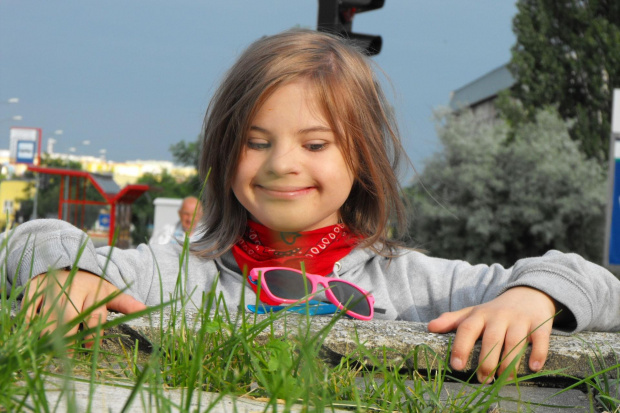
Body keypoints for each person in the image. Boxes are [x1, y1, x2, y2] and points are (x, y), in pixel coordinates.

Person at [2, 29, 619, 385]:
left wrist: (530, 299)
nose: (281, 164)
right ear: (224, 149)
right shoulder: (174, 272)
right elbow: (35, 235)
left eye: (315, 143)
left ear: (361, 157)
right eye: (256, 141)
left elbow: (597, 285)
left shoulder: (415, 286)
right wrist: (65, 274)